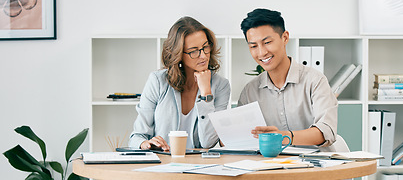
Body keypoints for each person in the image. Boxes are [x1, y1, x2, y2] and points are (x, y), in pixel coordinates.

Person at [238, 8, 337, 147]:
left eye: (267, 43)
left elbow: (326, 132)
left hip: (313, 165)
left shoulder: (315, 81)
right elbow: (241, 138)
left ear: (284, 38)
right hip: (270, 166)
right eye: (253, 46)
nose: (261, 52)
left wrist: (284, 137)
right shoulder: (250, 91)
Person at [129, 17, 230, 150]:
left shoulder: (221, 85)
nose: (203, 56)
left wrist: (206, 94)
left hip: (199, 166)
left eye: (205, 47)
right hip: (162, 164)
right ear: (178, 54)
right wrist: (145, 144)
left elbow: (207, 142)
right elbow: (136, 137)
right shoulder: (158, 81)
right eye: (194, 51)